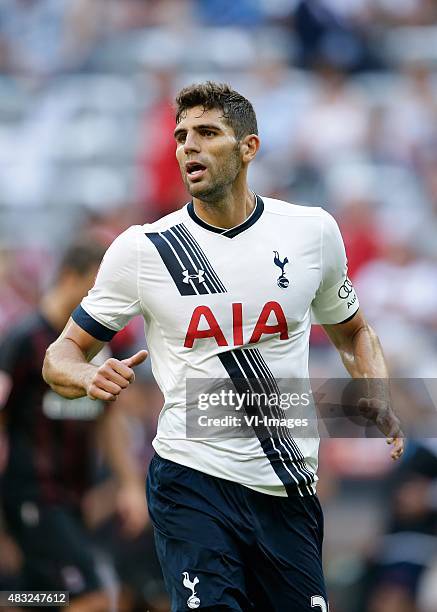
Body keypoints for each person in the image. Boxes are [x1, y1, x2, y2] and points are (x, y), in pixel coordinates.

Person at [43, 82, 404, 611]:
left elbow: (354, 331)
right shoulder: (144, 250)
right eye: (181, 135)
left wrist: (373, 387)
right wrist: (87, 376)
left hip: (288, 489)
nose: (189, 145)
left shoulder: (312, 232)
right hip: (192, 480)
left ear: (248, 148)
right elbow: (60, 355)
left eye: (208, 133)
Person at [0, 240, 148, 612]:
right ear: (68, 278)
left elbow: (108, 421)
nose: (102, 300)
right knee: (94, 598)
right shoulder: (22, 342)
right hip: (32, 495)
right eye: (93, 287)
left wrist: (130, 485)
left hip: (72, 498)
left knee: (35, 599)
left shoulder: (101, 349)